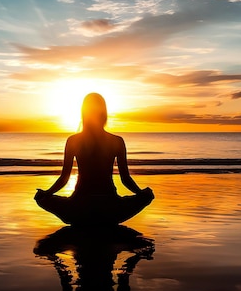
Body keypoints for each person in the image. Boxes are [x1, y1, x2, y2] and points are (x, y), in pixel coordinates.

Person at [34, 93, 154, 225]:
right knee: (147, 196)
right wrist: (141, 193)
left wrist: (46, 193)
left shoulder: (73, 141)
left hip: (79, 207)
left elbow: (64, 178)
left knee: (41, 198)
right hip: (110, 207)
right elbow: (125, 179)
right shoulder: (117, 141)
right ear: (104, 113)